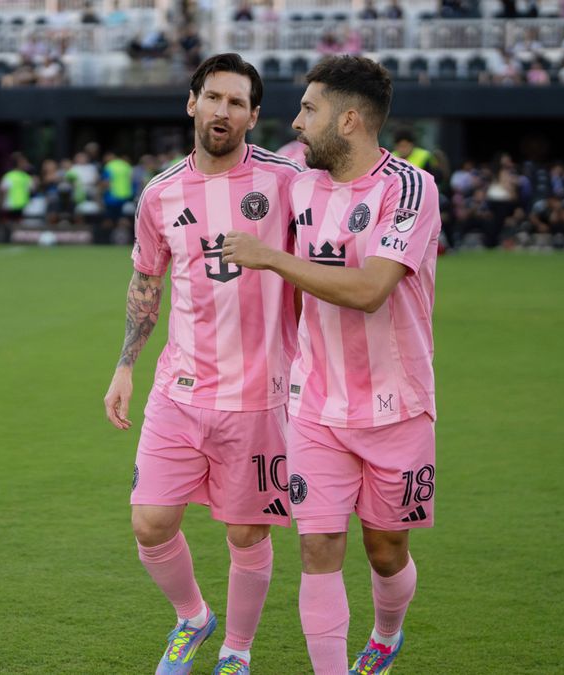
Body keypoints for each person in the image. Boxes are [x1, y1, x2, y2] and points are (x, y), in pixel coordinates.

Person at [221, 54, 440, 675]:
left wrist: (271, 258)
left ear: (348, 120)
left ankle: (387, 633)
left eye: (309, 110)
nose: (296, 122)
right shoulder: (299, 181)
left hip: (397, 406)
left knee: (385, 549)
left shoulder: (409, 187)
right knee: (317, 545)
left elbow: (371, 289)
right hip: (314, 401)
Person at [101, 53, 302, 675]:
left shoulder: (285, 180)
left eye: (236, 102)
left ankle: (236, 652)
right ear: (192, 102)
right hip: (178, 389)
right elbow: (146, 281)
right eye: (213, 97)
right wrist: (125, 365)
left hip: (259, 394)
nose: (223, 111)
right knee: (150, 523)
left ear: (254, 116)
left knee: (247, 535)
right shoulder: (159, 193)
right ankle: (193, 618)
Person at [0, 153, 33, 241]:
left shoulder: (23, 176)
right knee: (9, 226)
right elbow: (3, 191)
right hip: (13, 205)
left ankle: (11, 239)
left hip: (17, 205)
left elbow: (2, 190)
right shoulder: (20, 176)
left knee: (13, 226)